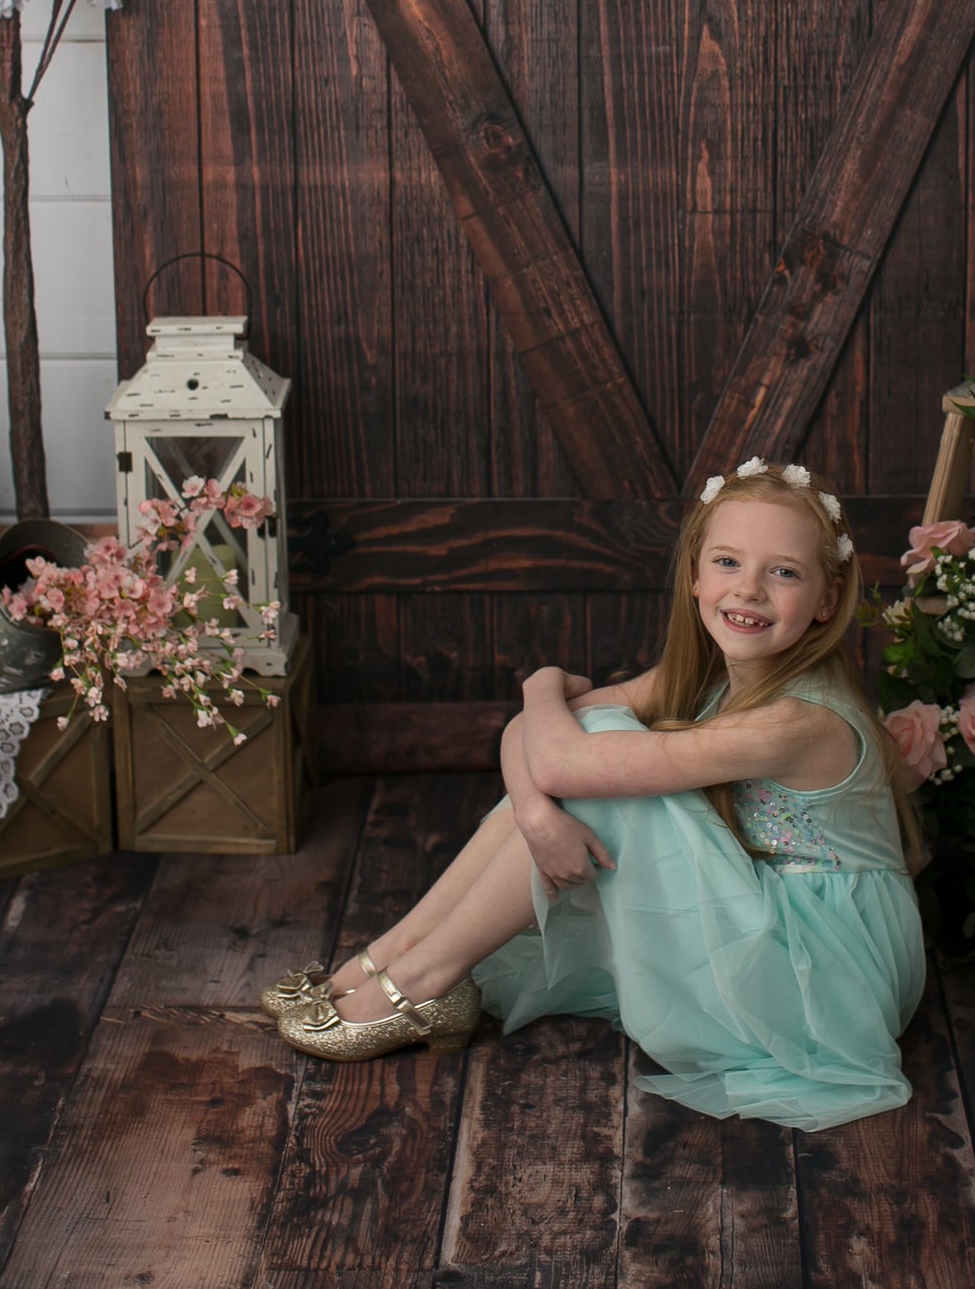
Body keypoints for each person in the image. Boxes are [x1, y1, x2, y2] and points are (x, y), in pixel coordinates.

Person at [265, 460, 927, 1132]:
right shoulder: (703, 676)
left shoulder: (798, 720)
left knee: (606, 769)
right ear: (695, 575)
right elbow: (537, 739)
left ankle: (423, 983)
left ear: (825, 597)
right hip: (775, 932)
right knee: (592, 750)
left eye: (782, 571)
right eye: (728, 561)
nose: (748, 589)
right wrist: (533, 805)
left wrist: (542, 683)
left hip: (824, 987)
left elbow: (558, 752)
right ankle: (391, 955)